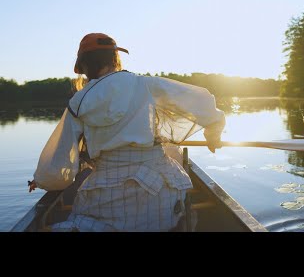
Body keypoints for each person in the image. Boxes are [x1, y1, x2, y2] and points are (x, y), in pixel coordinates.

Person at [29, 32, 225, 231]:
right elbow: (204, 104)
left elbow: (58, 166)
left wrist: (43, 180)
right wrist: (213, 136)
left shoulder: (78, 102)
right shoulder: (145, 84)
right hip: (162, 188)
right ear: (115, 59)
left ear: (84, 66)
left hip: (108, 197)